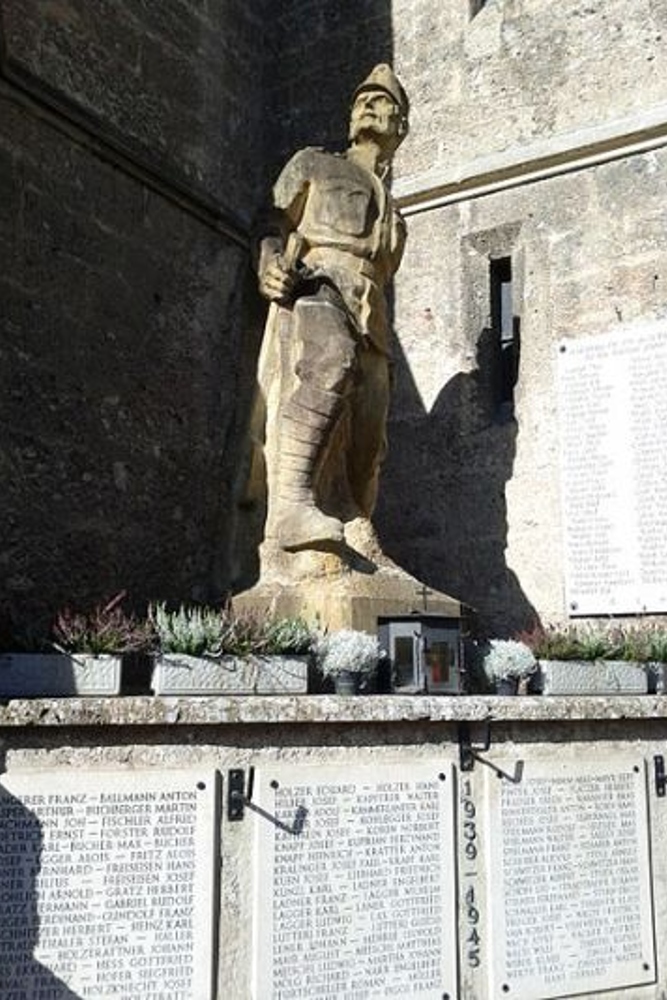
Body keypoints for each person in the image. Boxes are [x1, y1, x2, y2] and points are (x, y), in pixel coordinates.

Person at [256, 64, 409, 553]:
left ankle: (356, 529)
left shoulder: (395, 211)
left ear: (400, 126)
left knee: (368, 441)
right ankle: (291, 509)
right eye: (363, 98)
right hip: (318, 280)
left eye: (383, 101)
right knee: (330, 361)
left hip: (372, 311)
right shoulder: (314, 164)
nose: (368, 103)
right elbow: (270, 220)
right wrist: (268, 261)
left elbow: (385, 269)